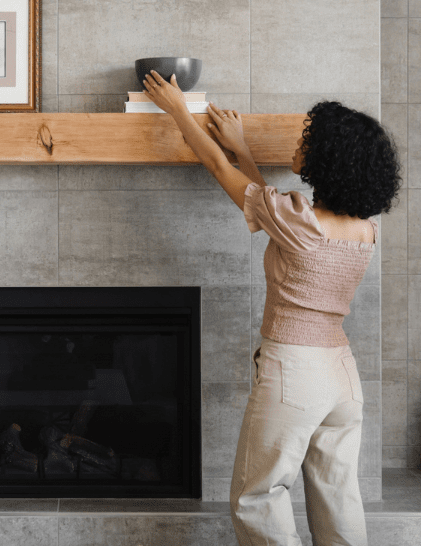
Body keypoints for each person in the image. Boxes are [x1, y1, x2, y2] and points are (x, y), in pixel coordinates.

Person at [142, 70, 401, 546]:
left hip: (294, 371)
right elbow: (268, 208)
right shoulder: (365, 229)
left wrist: (178, 109)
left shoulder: (297, 217)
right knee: (338, 495)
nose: (300, 145)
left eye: (309, 139)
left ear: (327, 159)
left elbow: (225, 175)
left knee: (256, 497)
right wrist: (244, 149)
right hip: (342, 375)